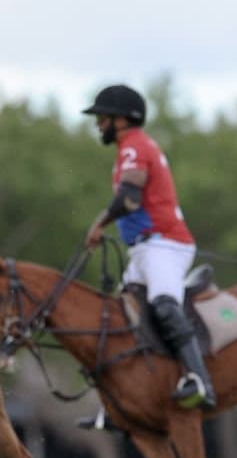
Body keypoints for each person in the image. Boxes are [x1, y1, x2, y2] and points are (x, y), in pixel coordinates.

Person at [81, 84, 215, 410]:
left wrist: (99, 223)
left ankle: (200, 381)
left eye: (103, 118)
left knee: (163, 303)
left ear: (123, 119)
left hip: (165, 244)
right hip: (144, 248)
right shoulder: (130, 148)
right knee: (123, 317)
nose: (99, 125)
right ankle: (121, 404)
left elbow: (129, 197)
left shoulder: (134, 146)